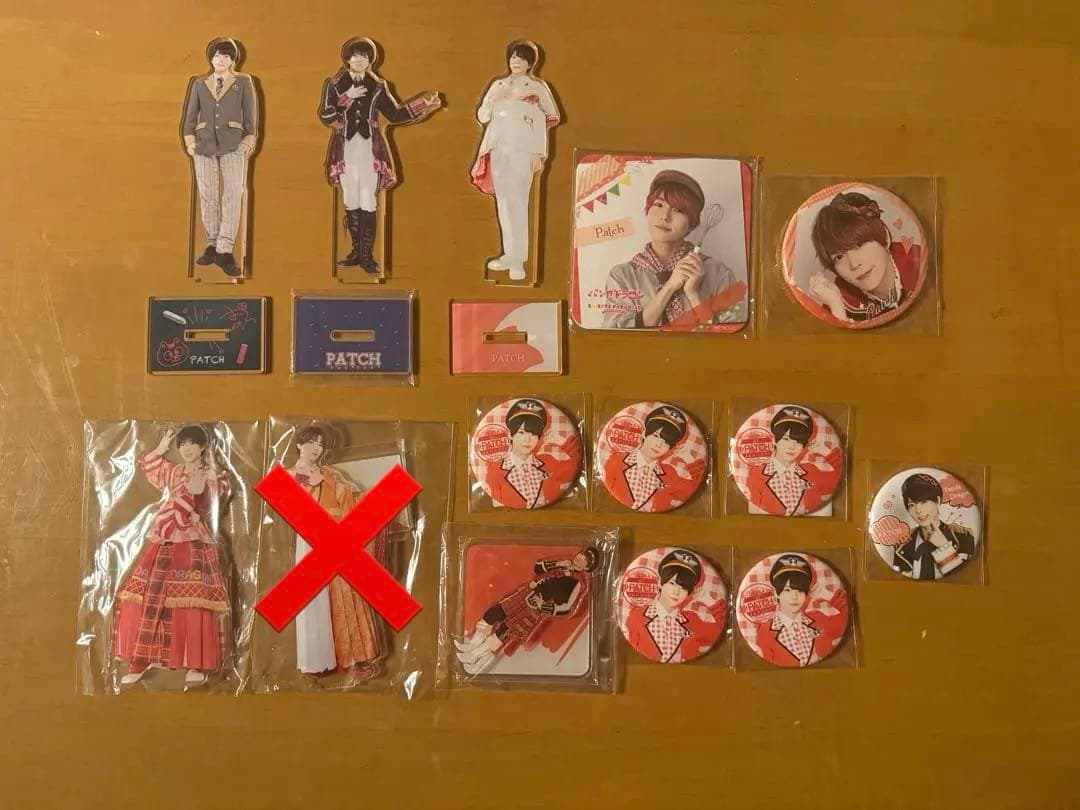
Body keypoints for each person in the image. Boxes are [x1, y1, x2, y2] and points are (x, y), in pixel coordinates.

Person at [114, 425, 231, 686]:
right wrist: (161, 448)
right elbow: (149, 463)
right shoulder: (174, 471)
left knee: (192, 597)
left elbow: (211, 502)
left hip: (192, 538)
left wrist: (199, 494)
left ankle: (195, 661)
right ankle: (144, 657)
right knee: (150, 593)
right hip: (165, 536)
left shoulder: (213, 475)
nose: (187, 449)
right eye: (182, 444)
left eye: (192, 443)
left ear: (203, 446)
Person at [320, 38, 441, 274]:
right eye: (355, 56)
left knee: (368, 197)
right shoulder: (334, 85)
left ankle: (367, 255)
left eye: (364, 57)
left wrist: (423, 105)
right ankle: (356, 251)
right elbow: (325, 116)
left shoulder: (377, 86)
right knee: (350, 198)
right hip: (345, 147)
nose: (359, 60)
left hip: (369, 147)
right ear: (347, 59)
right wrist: (347, 97)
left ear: (370, 61)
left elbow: (394, 114)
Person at [285, 424, 388, 677]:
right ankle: (317, 662)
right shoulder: (289, 475)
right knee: (315, 600)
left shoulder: (329, 475)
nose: (316, 449)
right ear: (299, 444)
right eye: (311, 443)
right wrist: (310, 485)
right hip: (311, 538)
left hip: (337, 536)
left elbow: (349, 502)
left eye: (320, 445)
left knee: (347, 592)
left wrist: (380, 500)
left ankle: (353, 659)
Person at [602, 170, 740, 329]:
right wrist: (670, 286)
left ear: (692, 223)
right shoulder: (622, 276)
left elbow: (730, 336)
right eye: (659, 205)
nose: (665, 216)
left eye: (678, 210)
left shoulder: (719, 274)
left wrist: (693, 294)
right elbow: (614, 337)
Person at [471, 41, 561, 281]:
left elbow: (544, 120)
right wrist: (493, 100)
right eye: (513, 57)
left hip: (523, 151)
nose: (516, 62)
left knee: (519, 202)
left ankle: (519, 260)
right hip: (498, 148)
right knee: (503, 202)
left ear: (530, 63)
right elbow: (482, 116)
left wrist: (538, 152)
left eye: (521, 59)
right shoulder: (498, 85)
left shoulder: (536, 88)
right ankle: (509, 254)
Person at [181, 37, 258, 277]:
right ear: (211, 59)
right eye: (216, 56)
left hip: (234, 143)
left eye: (225, 56)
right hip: (203, 144)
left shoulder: (243, 82)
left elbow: (250, 114)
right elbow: (191, 115)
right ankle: (213, 243)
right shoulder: (199, 84)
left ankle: (225, 248)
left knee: (233, 193)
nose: (220, 60)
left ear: (233, 60)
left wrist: (248, 139)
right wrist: (190, 140)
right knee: (208, 194)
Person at [454, 547, 599, 674]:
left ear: (587, 567)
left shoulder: (577, 583)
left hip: (535, 608)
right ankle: (471, 647)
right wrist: (558, 564)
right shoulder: (562, 564)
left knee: (504, 632)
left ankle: (475, 659)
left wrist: (543, 606)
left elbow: (566, 607)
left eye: (584, 559)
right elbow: (537, 568)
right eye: (582, 554)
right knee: (494, 612)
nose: (580, 557)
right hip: (526, 593)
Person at [807, 191, 923, 324]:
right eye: (839, 257)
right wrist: (837, 308)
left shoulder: (919, 263)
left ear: (885, 237)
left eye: (859, 245)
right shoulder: (837, 300)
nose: (854, 264)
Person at [624, 549, 725, 663]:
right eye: (672, 583)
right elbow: (630, 655)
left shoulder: (692, 620)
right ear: (660, 582)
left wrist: (708, 600)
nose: (676, 592)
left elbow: (720, 630)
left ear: (689, 592)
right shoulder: (638, 616)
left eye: (684, 588)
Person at [481, 399, 581, 509]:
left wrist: (559, 440)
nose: (528, 439)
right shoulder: (495, 470)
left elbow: (575, 463)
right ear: (510, 435)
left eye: (533, 434)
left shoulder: (548, 461)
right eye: (521, 432)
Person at [603, 405, 704, 512]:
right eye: (656, 436)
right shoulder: (617, 460)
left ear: (670, 447)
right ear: (644, 434)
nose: (659, 445)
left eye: (666, 442)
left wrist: (688, 458)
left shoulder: (669, 474)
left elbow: (694, 487)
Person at [745, 406, 842, 516]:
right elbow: (755, 508)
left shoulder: (811, 471)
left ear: (804, 445)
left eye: (799, 442)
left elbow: (840, 476)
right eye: (786, 439)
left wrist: (824, 451)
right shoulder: (757, 473)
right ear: (775, 440)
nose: (792, 447)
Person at [754, 555, 847, 667]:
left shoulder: (818, 619)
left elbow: (849, 618)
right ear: (776, 593)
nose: (794, 596)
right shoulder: (765, 631)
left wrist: (828, 596)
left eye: (800, 590)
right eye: (787, 590)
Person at [893, 473, 976, 580]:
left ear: (938, 501)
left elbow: (965, 580)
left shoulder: (963, 537)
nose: (918, 511)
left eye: (923, 502)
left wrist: (943, 547)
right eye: (911, 505)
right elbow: (898, 583)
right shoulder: (902, 545)